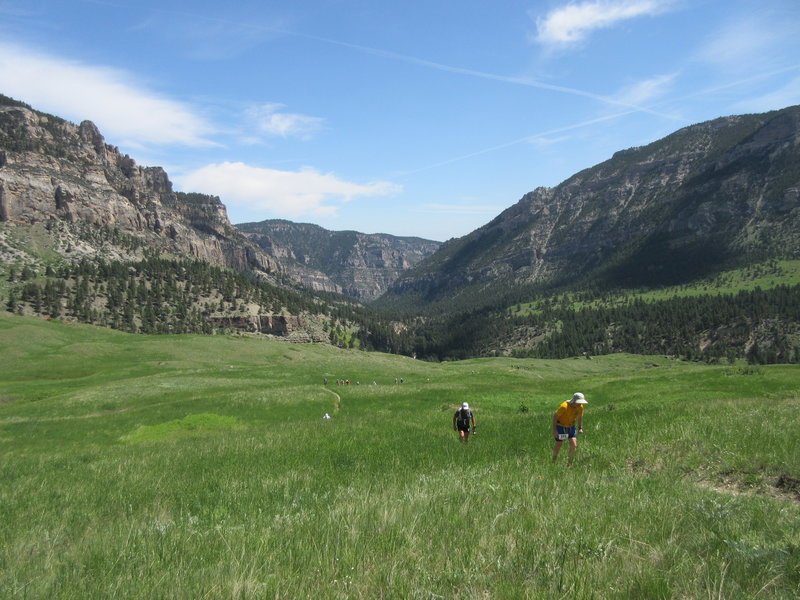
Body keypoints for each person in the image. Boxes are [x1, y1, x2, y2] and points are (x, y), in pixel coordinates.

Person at [552, 393, 588, 465]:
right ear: (574, 401)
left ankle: (569, 464)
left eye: (580, 403)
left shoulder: (580, 407)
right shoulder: (564, 406)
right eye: (578, 403)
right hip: (561, 427)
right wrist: (555, 430)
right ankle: (553, 461)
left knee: (574, 444)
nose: (579, 405)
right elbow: (555, 417)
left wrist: (580, 428)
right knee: (559, 443)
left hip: (571, 427)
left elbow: (580, 417)